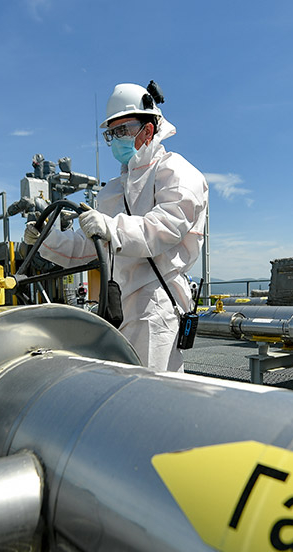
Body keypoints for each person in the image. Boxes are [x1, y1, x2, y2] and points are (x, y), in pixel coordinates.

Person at [26, 81, 208, 372]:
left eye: (123, 130)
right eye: (112, 133)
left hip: (156, 304)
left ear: (148, 130)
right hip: (117, 305)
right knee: (122, 388)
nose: (116, 139)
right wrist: (46, 238)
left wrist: (111, 227)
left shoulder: (176, 172)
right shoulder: (113, 189)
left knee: (152, 390)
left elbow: (165, 228)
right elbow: (91, 246)